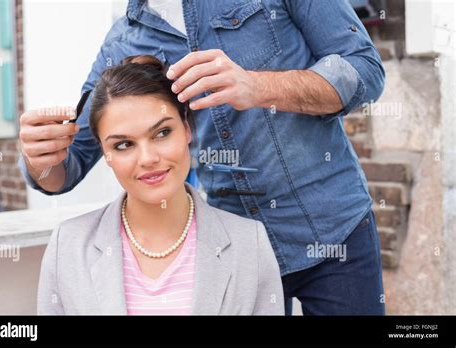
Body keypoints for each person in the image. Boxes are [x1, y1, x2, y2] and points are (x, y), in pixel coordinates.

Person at [21, 0, 386, 315]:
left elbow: (365, 70)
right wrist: (41, 157)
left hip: (333, 227)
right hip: (231, 253)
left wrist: (259, 87)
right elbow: (66, 169)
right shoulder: (122, 42)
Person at [37, 55, 284, 315]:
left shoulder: (250, 244)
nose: (148, 159)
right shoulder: (68, 245)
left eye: (162, 133)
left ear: (187, 129)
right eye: (123, 145)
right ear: (105, 154)